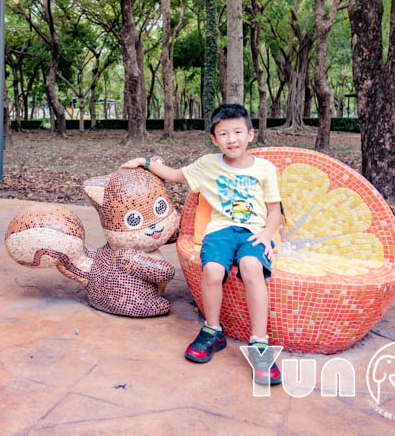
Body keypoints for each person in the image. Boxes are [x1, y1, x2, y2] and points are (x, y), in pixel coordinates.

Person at [121, 103, 282, 384]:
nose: (231, 139)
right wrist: (145, 162)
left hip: (253, 232)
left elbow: (274, 211)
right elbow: (174, 174)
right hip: (219, 231)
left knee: (251, 266)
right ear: (214, 139)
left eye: (237, 132)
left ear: (251, 135)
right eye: (223, 134)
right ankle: (212, 331)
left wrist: (267, 235)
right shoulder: (208, 165)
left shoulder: (265, 169)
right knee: (212, 272)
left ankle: (259, 342)